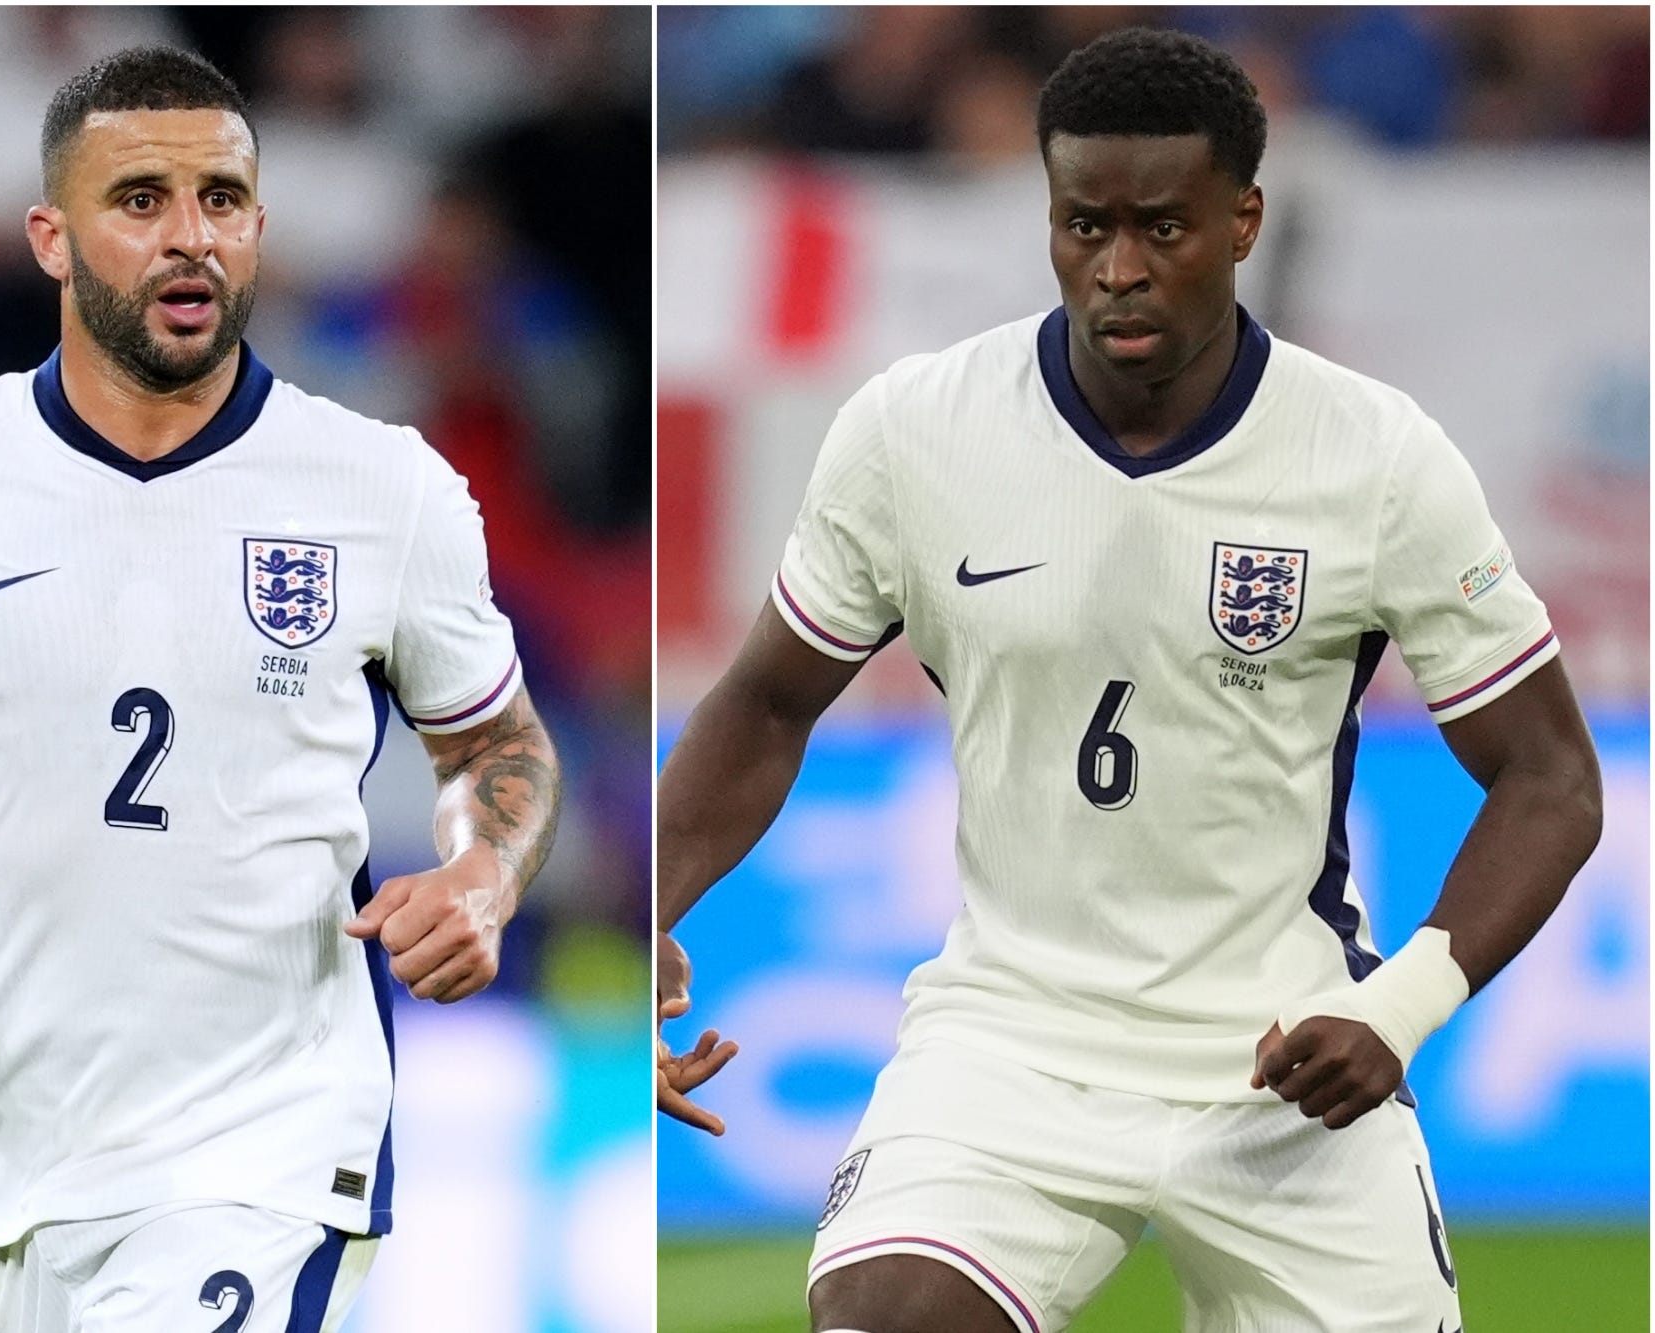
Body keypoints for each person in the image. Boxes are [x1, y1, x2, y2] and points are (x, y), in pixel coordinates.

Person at [656, 27, 1602, 1333]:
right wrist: (655, 897)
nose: (1117, 267)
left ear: (1243, 220)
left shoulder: (1374, 458)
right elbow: (767, 700)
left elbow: (1551, 778)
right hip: (1010, 1043)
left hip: (1288, 1059)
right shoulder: (916, 430)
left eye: (1162, 228)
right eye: (1083, 224)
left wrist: (1400, 1006)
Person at [0, 47, 560, 1333]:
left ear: (259, 226)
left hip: (266, 1148)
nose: (188, 238)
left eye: (219, 200)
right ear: (51, 237)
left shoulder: (384, 489)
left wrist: (481, 872)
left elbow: (500, 747)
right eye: (140, 200)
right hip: (13, 1151)